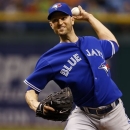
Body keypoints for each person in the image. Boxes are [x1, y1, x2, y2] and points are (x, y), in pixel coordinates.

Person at [24, 2, 130, 130]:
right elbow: (31, 90)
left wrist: (90, 18)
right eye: (55, 20)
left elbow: (113, 43)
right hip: (84, 116)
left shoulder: (92, 41)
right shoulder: (49, 59)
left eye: (63, 18)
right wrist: (36, 105)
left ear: (72, 20)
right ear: (51, 25)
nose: (60, 22)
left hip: (115, 113)